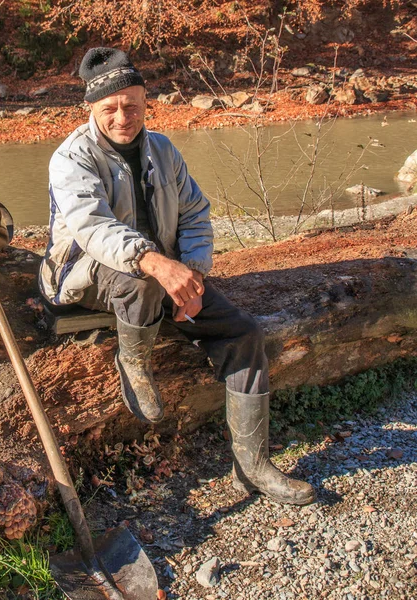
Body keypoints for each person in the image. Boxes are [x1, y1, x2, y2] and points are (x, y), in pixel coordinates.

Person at [39, 47, 315, 506]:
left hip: (164, 276)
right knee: (143, 277)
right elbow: (93, 228)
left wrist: (195, 274)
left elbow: (195, 214)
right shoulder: (71, 158)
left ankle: (253, 467)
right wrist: (158, 263)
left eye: (131, 104)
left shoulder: (163, 149)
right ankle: (134, 362)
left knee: (244, 333)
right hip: (84, 276)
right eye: (110, 108)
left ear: (146, 103)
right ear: (92, 109)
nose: (122, 116)